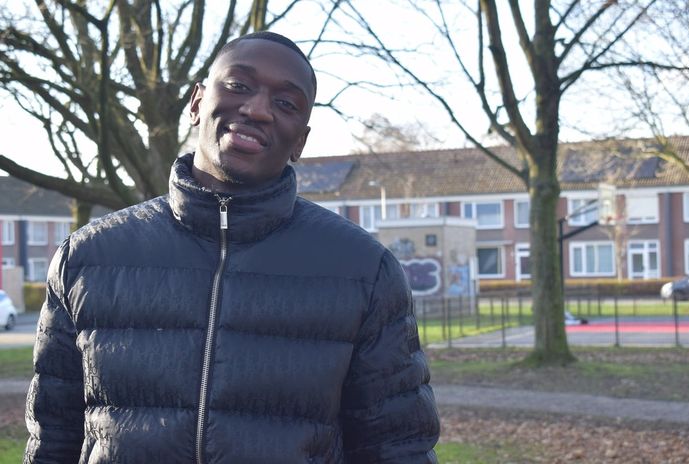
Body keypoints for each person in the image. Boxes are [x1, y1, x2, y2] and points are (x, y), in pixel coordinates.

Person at [24, 31, 439, 463]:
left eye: (286, 104)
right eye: (238, 85)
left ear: (301, 141)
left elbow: (398, 447)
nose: (257, 109)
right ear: (197, 102)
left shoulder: (364, 270)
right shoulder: (88, 259)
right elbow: (54, 437)